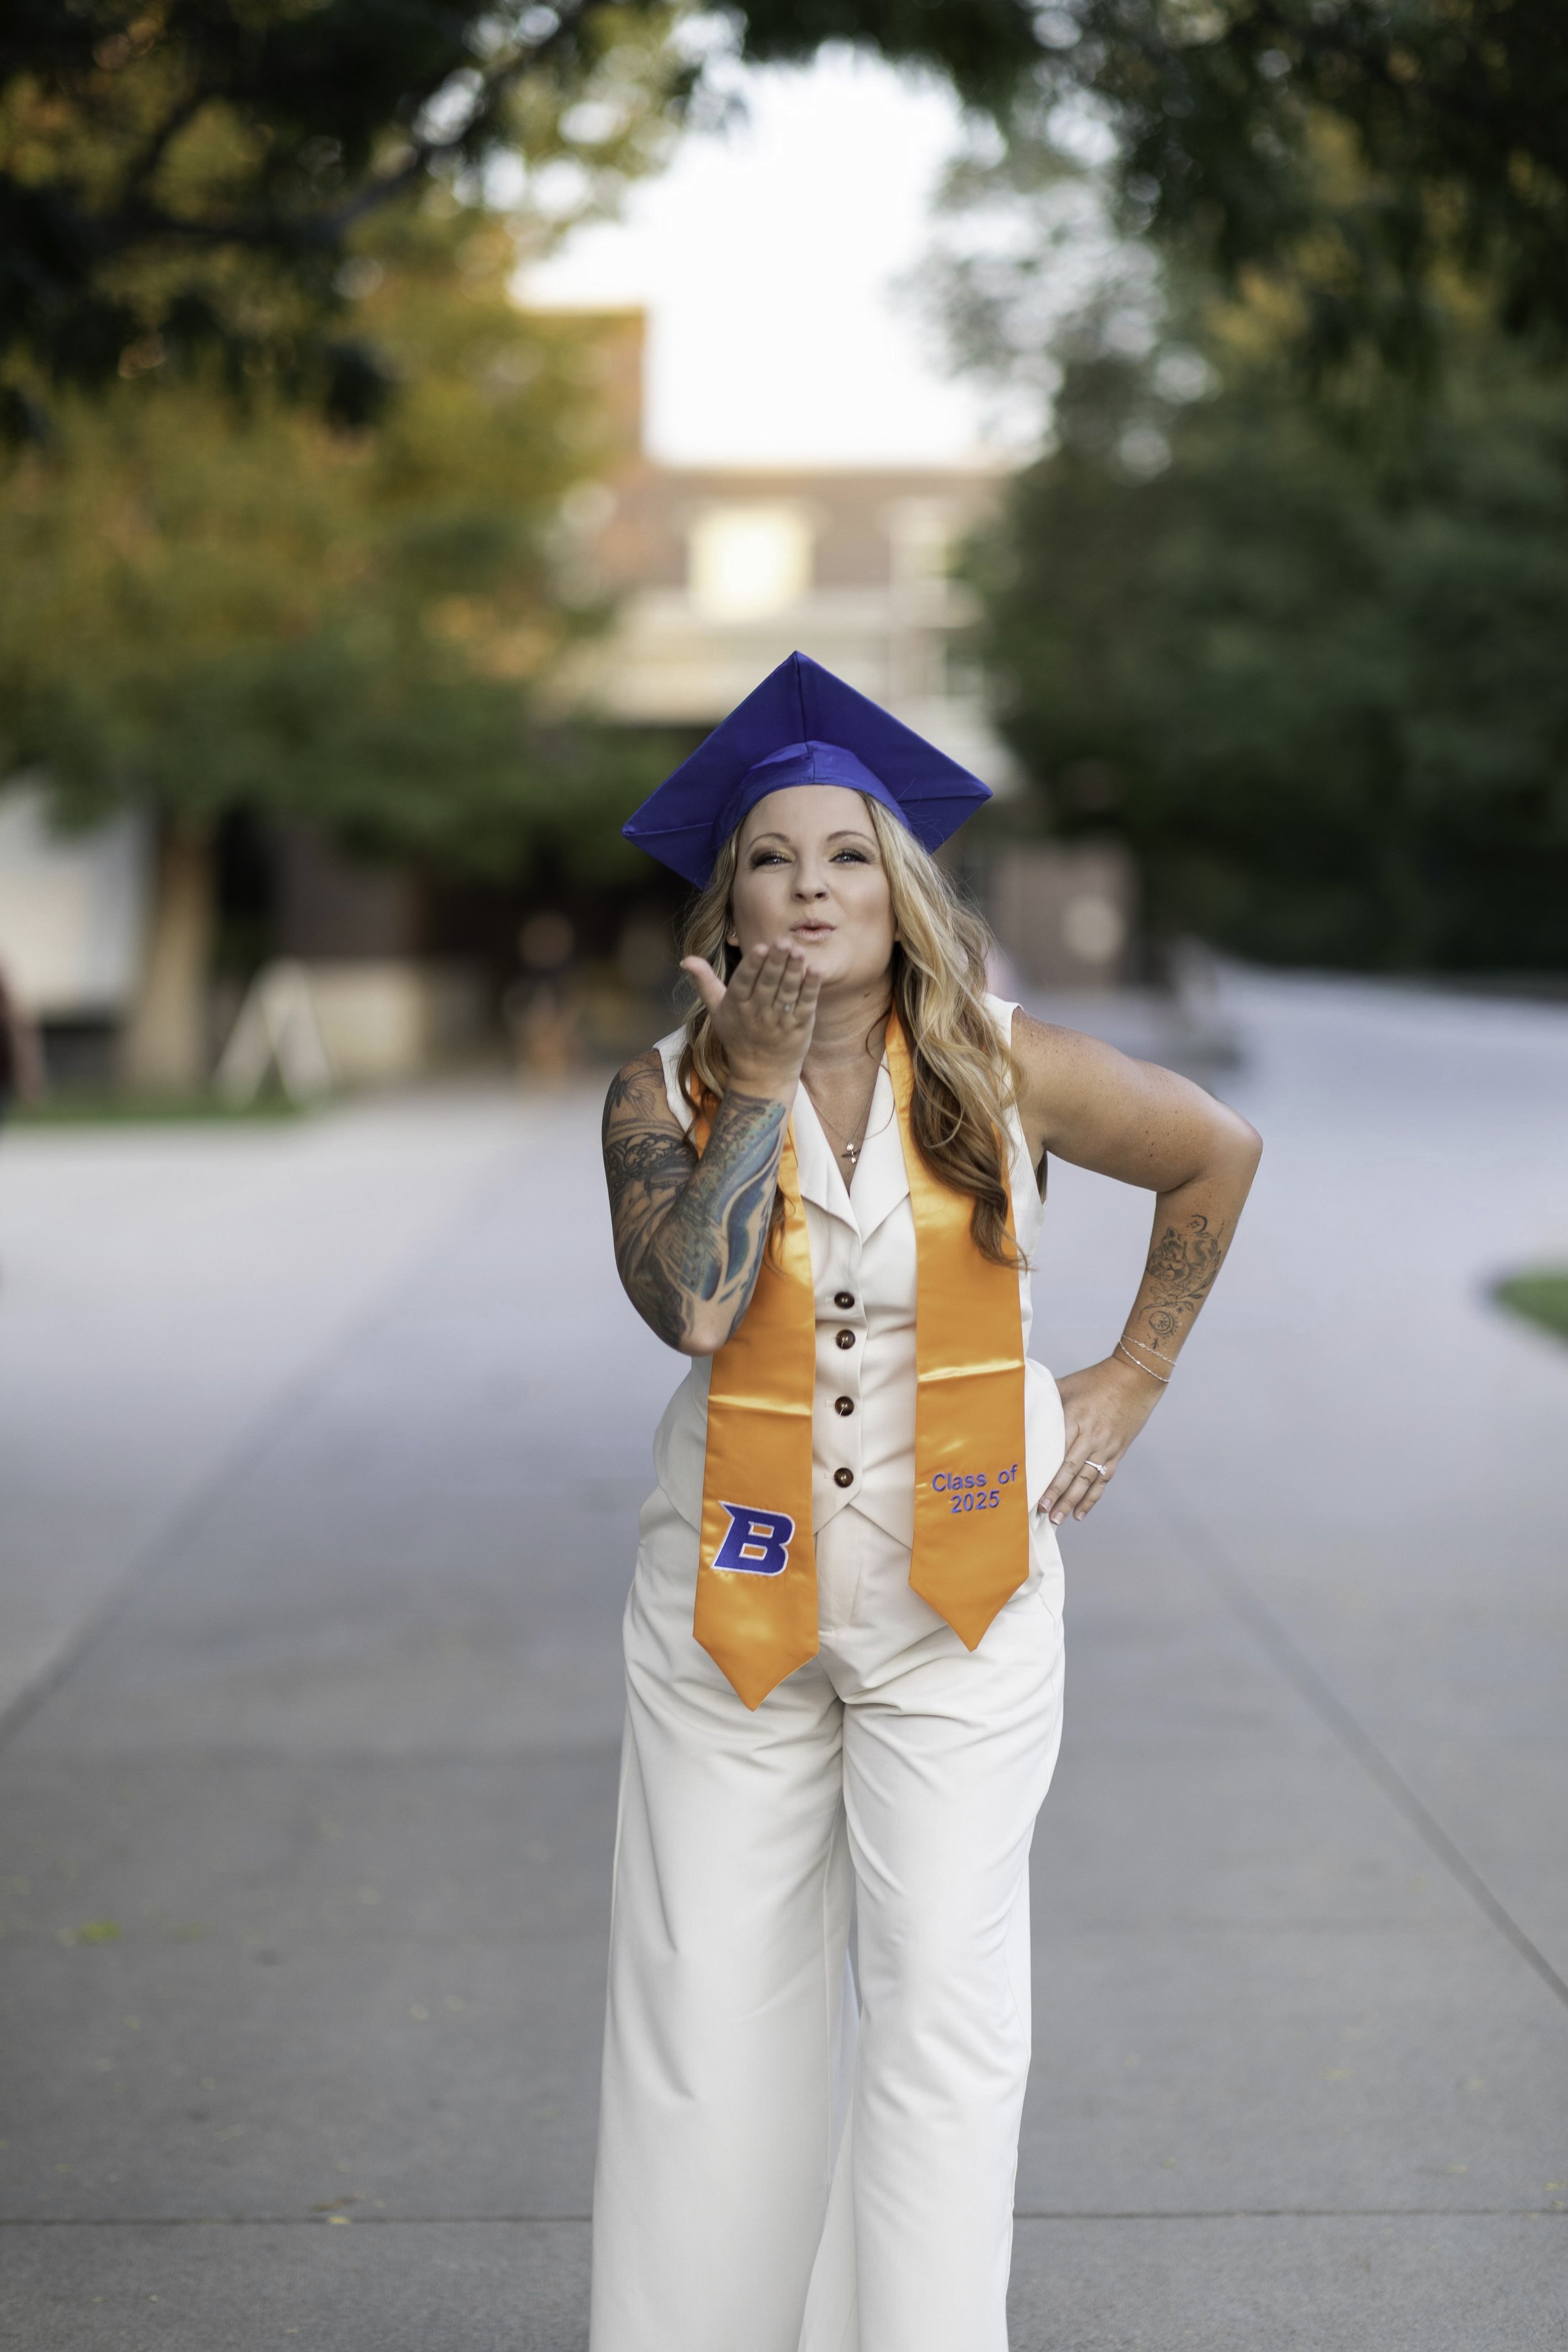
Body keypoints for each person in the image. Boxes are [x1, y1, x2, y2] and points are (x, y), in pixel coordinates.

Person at [592, 653, 1261, 2352]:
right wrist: (748, 1087)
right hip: (725, 1611)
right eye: (769, 857)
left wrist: (1133, 1373)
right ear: (726, 897)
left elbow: (1212, 1153)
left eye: (842, 854)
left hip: (960, 1602)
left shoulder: (1001, 1065)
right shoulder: (659, 1090)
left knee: (942, 2027)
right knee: (705, 2022)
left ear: (899, 890)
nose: (807, 886)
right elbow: (691, 1303)